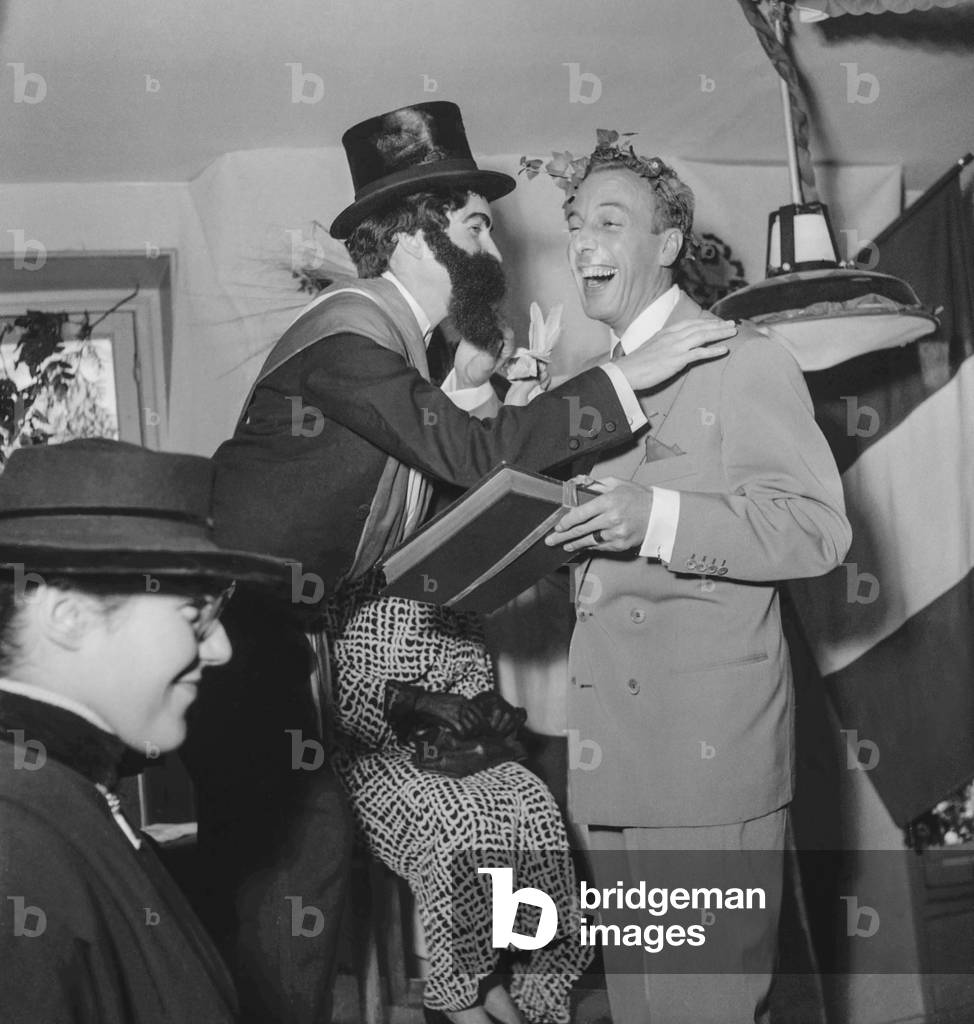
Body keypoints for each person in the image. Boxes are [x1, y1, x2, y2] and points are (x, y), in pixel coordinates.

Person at [184, 100, 737, 1023]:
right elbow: (471, 460)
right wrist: (622, 379)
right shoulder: (349, 337)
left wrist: (491, 402)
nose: (496, 248)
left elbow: (425, 498)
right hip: (239, 643)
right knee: (292, 882)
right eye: (476, 225)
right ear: (416, 237)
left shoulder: (389, 349)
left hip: (283, 644)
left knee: (301, 875)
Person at [543, 140, 853, 1023]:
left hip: (708, 773)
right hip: (612, 765)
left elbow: (816, 529)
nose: (582, 244)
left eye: (609, 221)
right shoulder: (589, 390)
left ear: (670, 243)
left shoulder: (743, 358)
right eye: (574, 225)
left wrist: (660, 518)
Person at [0, 437, 292, 1024]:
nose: (222, 647)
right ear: (68, 616)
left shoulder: (57, 789)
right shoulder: (17, 848)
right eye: (196, 614)